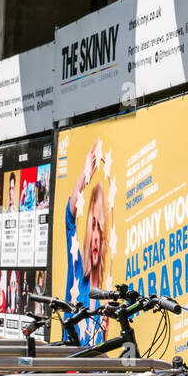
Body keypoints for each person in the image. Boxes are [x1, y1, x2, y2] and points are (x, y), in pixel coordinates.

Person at [63, 138, 111, 347]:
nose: (95, 235)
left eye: (100, 227)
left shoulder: (106, 301)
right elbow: (69, 216)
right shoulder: (77, 267)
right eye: (92, 224)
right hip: (70, 374)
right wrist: (84, 176)